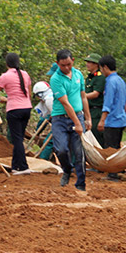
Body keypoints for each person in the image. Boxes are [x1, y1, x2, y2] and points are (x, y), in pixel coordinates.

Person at [50, 49, 91, 191]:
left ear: (72, 60)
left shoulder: (78, 74)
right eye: (63, 65)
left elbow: (83, 96)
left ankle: (81, 185)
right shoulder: (55, 79)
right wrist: (78, 124)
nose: (66, 68)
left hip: (79, 115)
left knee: (79, 152)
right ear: (57, 64)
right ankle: (67, 169)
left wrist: (88, 118)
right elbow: (65, 103)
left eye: (68, 64)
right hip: (60, 119)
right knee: (61, 149)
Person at [0, 52, 32, 175]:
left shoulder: (5, 76)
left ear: (7, 64)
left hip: (14, 109)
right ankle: (16, 166)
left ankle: (22, 167)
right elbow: (29, 93)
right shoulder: (25, 74)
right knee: (19, 138)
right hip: (27, 108)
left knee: (17, 139)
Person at [96, 55, 126, 181]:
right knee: (117, 146)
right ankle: (119, 169)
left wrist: (102, 120)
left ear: (105, 67)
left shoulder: (110, 81)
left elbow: (107, 103)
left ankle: (112, 173)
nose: (101, 71)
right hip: (121, 119)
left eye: (101, 68)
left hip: (112, 120)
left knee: (110, 148)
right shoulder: (120, 80)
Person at [84, 53, 106, 147]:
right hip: (88, 109)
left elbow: (95, 94)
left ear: (96, 64)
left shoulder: (100, 77)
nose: (87, 64)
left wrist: (82, 97)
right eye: (87, 62)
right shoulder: (89, 78)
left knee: (97, 136)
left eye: (90, 62)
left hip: (97, 111)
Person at [32, 81, 55, 161]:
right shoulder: (50, 96)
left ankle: (43, 159)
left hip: (62, 121)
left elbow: (54, 116)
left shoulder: (49, 100)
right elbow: (44, 118)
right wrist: (37, 132)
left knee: (48, 142)